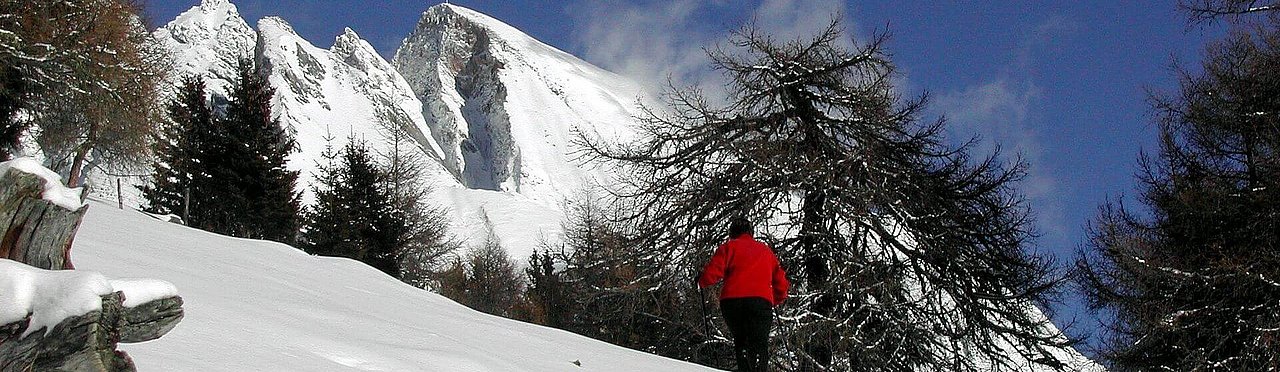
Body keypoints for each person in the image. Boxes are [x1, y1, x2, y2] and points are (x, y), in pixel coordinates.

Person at [698, 217, 789, 372]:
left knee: (741, 341)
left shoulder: (728, 247)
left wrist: (701, 281)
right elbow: (781, 282)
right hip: (760, 302)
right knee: (759, 342)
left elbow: (712, 274)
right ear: (751, 232)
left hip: (732, 302)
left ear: (732, 232)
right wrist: (776, 299)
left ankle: (745, 367)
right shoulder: (765, 251)